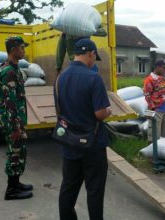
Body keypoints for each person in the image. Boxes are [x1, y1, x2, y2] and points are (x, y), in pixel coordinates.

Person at [56, 38, 111, 220]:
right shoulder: (94, 78)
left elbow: (59, 110)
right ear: (91, 54)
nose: (94, 61)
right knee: (94, 191)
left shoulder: (60, 78)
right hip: (92, 145)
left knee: (68, 189)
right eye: (95, 57)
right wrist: (108, 110)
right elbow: (100, 113)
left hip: (69, 143)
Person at [0, 36, 33, 200]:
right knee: (15, 153)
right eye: (22, 47)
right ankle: (11, 190)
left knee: (20, 151)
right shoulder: (8, 71)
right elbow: (9, 101)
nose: (24, 50)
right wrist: (15, 127)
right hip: (13, 122)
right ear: (13, 50)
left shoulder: (14, 68)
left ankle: (16, 183)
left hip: (17, 119)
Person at [143, 60, 165, 143]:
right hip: (156, 109)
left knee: (163, 133)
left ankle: (161, 150)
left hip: (164, 108)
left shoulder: (162, 79)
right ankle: (152, 152)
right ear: (158, 67)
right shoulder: (149, 80)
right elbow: (147, 96)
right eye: (164, 68)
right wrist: (153, 108)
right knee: (154, 133)